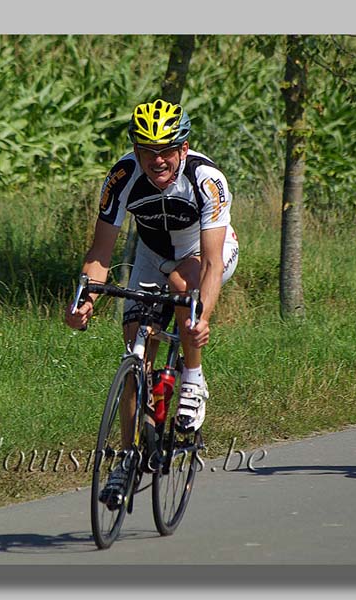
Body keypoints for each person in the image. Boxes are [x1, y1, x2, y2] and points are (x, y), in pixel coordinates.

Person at [64, 98, 239, 508]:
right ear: (136, 150)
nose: (157, 160)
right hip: (150, 254)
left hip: (206, 251)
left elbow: (212, 264)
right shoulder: (123, 175)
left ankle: (192, 378)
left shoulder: (206, 178)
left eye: (166, 150)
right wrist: (84, 299)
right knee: (135, 353)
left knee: (182, 282)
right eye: (147, 151)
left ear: (183, 148)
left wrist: (202, 317)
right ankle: (127, 459)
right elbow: (101, 253)